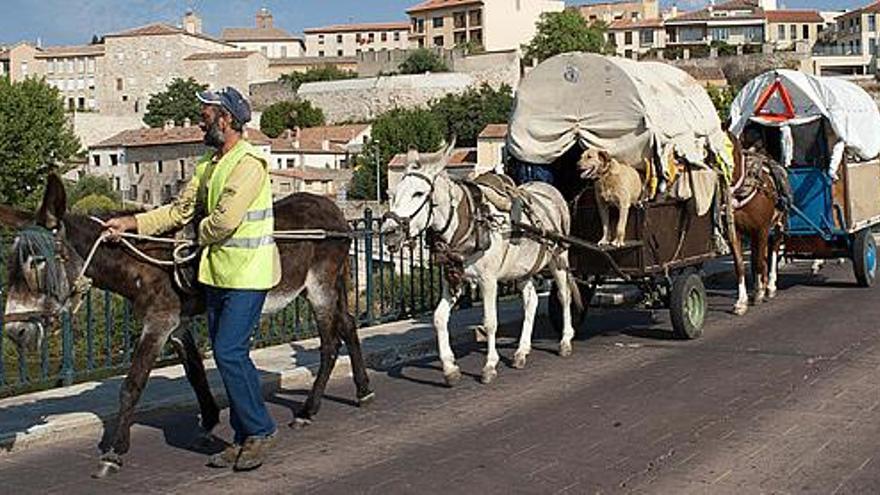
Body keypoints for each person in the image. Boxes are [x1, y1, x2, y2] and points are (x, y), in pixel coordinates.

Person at [104, 87, 281, 472]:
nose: (199, 119)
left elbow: (224, 221)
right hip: (218, 273)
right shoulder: (210, 164)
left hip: (249, 273)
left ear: (226, 120)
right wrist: (132, 224)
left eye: (205, 114)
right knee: (232, 355)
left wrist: (191, 235)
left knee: (229, 353)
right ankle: (243, 435)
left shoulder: (249, 164)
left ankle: (261, 430)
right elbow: (178, 210)